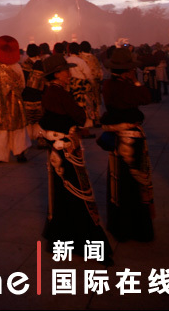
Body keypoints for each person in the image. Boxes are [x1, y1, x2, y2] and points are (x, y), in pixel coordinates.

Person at [39, 53, 112, 263]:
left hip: (58, 148)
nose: (69, 74)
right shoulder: (59, 94)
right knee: (79, 193)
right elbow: (80, 116)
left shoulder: (52, 92)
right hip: (66, 150)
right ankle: (84, 239)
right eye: (66, 70)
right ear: (57, 74)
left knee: (62, 192)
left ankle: (62, 236)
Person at [101, 47, 154, 242]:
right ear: (128, 70)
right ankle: (135, 227)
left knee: (118, 180)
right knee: (135, 181)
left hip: (116, 137)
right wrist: (137, 82)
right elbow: (146, 97)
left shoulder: (108, 85)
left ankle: (119, 225)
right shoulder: (127, 87)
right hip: (130, 137)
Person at [0, 35, 30, 163]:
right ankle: (20, 152)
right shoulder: (17, 67)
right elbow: (22, 85)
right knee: (18, 129)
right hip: (15, 103)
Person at [21, 43, 45, 144]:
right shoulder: (42, 64)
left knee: (29, 119)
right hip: (39, 95)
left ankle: (28, 139)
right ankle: (40, 138)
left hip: (27, 95)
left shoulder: (23, 65)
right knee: (39, 119)